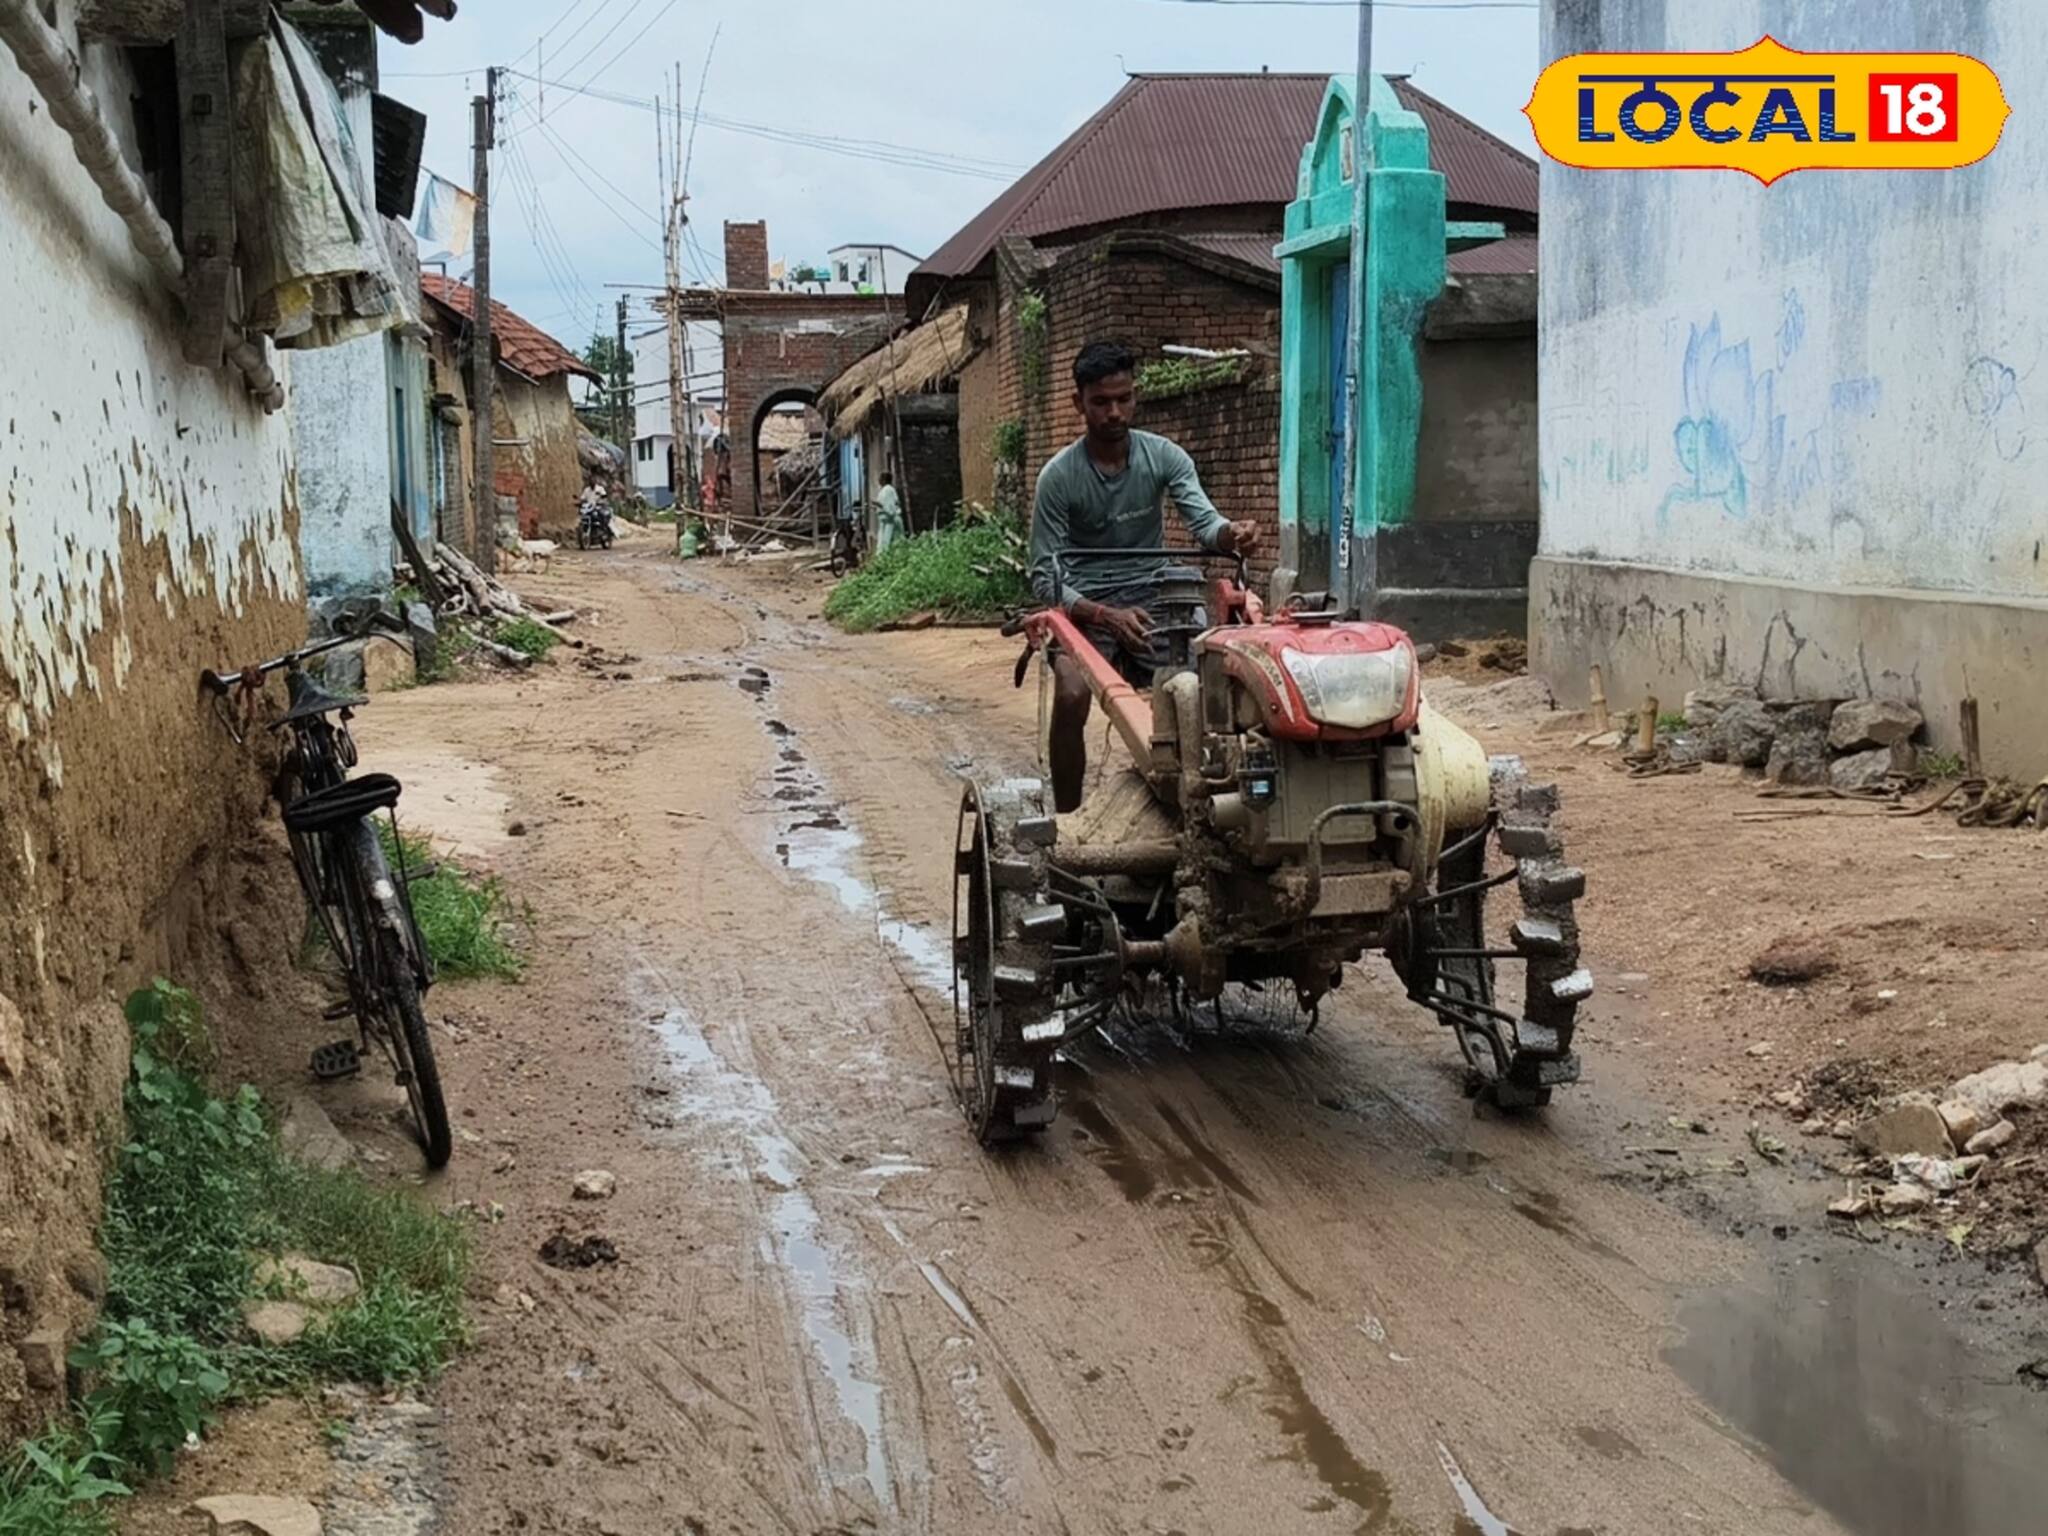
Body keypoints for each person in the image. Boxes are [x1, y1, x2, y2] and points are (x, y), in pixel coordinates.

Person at [1029, 340, 1260, 812]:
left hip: (1153, 595)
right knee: (1071, 693)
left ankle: (1206, 800)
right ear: (1079, 403)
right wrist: (1105, 615)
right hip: (1087, 604)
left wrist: (1232, 534)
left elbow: (1205, 523)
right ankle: (1068, 820)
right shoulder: (1058, 477)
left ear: (1135, 397)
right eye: (1101, 402)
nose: (1114, 412)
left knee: (1207, 688)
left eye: (1124, 399)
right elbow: (1043, 575)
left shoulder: (1164, 456)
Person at [874, 472, 906, 554]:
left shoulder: (887, 490)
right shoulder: (886, 490)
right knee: (887, 544)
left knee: (888, 545)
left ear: (884, 480)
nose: (878, 480)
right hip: (887, 521)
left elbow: (890, 509)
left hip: (890, 521)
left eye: (880, 479)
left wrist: (878, 505)